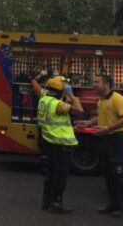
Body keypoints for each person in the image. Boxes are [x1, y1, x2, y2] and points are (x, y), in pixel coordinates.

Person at [75, 74, 123, 219]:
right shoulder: (102, 100)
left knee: (120, 174)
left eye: (97, 82)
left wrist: (108, 129)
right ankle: (114, 205)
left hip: (115, 139)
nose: (94, 84)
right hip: (105, 139)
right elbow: (101, 116)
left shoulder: (117, 99)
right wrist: (88, 123)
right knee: (109, 174)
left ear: (106, 84)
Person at [37, 76, 83, 213]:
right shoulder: (58, 105)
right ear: (61, 91)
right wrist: (71, 94)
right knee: (60, 174)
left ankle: (46, 201)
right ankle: (57, 202)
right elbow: (80, 111)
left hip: (50, 142)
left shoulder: (44, 100)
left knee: (51, 173)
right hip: (62, 143)